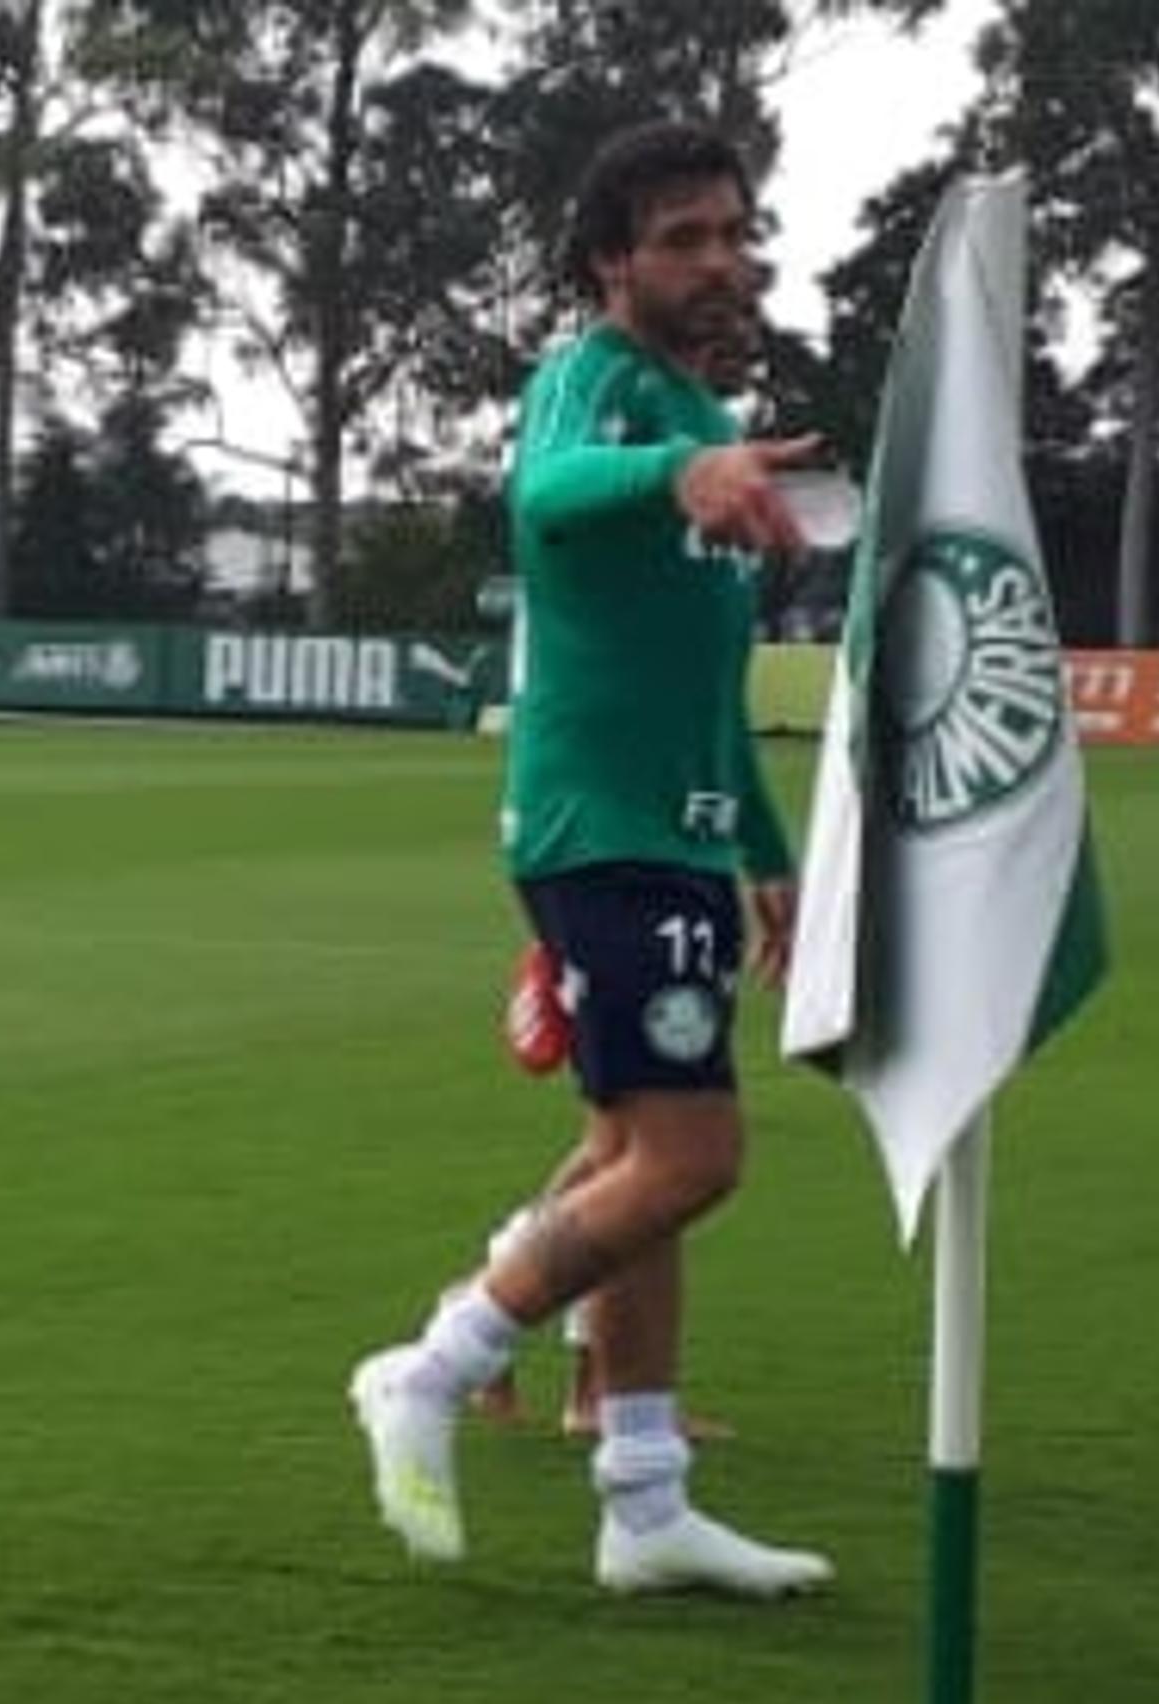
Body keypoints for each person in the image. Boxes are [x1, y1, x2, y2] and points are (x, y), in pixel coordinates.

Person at [349, 119, 829, 1599]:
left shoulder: (702, 426)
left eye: (738, 232)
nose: (723, 260)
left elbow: (703, 693)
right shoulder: (597, 385)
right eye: (684, 236)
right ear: (612, 260)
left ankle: (643, 1500)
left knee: (639, 1162)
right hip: (593, 827)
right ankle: (433, 1363)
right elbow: (545, 493)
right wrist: (680, 470)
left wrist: (763, 852)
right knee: (694, 1158)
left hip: (669, 831)